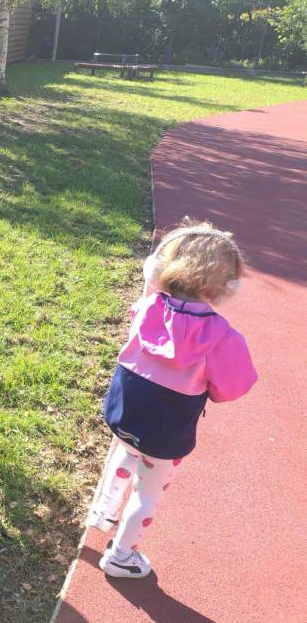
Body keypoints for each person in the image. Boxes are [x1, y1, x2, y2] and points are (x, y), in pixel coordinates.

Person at [86, 218, 257, 578]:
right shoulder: (222, 338)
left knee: (126, 451)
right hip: (167, 427)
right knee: (148, 491)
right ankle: (121, 557)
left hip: (124, 409)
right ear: (222, 287)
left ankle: (103, 511)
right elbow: (233, 387)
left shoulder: (149, 307)